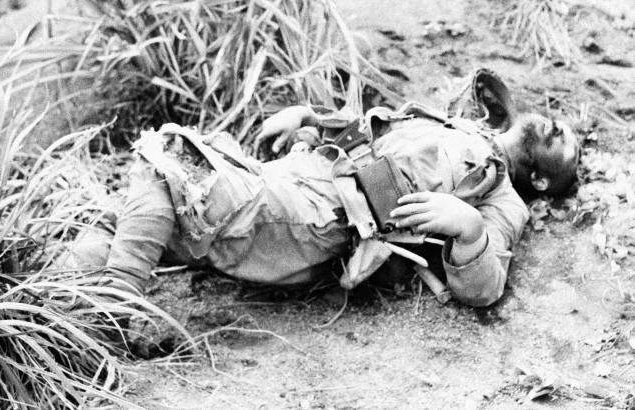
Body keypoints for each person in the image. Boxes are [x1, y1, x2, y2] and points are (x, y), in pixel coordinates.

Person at [57, 72, 579, 308]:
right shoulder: (456, 126)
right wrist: (312, 117)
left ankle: (118, 303)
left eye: (567, 147)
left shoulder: (503, 200)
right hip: (293, 180)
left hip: (315, 219)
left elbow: (485, 288)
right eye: (563, 124)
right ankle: (57, 307)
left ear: (540, 181)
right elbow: (369, 138)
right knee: (124, 218)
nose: (560, 127)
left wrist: (466, 228)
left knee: (169, 155)